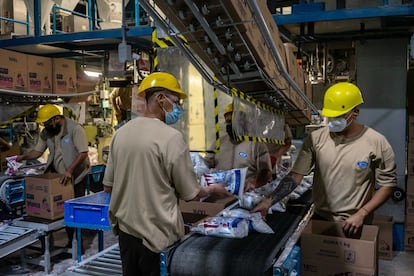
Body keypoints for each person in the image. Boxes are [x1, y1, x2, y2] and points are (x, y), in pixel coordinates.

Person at [102, 72, 231, 276]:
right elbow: (191, 194)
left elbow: (108, 186)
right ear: (160, 99)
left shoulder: (120, 134)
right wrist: (214, 188)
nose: (178, 108)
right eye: (176, 101)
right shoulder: (171, 138)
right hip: (156, 237)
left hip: (126, 233)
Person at [253, 82, 397, 237]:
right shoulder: (316, 139)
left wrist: (362, 213)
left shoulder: (377, 142)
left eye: (339, 116)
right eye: (331, 116)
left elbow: (387, 185)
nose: (333, 120)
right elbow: (295, 177)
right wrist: (268, 202)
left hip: (354, 223)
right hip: (320, 217)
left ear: (355, 112)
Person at [16, 104, 90, 249]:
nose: (45, 126)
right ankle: (70, 240)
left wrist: (69, 171)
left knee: (75, 209)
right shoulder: (47, 132)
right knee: (63, 210)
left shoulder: (75, 129)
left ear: (57, 118)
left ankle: (78, 242)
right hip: (59, 177)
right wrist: (21, 157)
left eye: (48, 122)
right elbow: (37, 152)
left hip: (77, 175)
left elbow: (83, 153)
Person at [203, 103, 272, 190]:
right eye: (228, 122)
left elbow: (266, 172)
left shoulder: (256, 144)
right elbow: (206, 165)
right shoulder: (219, 143)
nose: (231, 125)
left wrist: (254, 183)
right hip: (220, 192)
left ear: (244, 122)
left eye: (235, 121)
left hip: (246, 193)